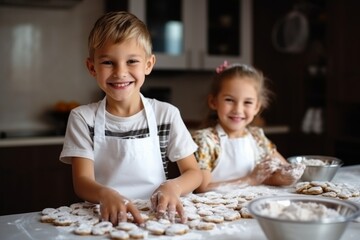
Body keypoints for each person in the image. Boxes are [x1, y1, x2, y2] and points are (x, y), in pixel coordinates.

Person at [59, 11, 202, 225]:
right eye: (108, 62)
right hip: (105, 218)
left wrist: (174, 186)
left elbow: (194, 173)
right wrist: (106, 195)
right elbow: (82, 181)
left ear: (148, 64)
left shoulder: (166, 115)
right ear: (92, 67)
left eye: (132, 61)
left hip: (157, 217)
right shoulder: (82, 118)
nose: (120, 72)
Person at [192, 61, 305, 193]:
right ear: (213, 102)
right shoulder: (206, 141)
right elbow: (202, 188)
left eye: (247, 102)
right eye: (229, 100)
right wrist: (249, 180)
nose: (238, 109)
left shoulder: (257, 138)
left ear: (257, 107)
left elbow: (281, 169)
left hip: (252, 207)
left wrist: (286, 177)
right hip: (215, 209)